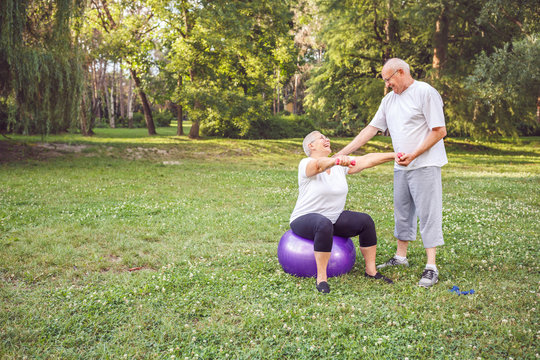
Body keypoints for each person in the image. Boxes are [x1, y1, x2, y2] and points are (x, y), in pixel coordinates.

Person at [335, 58, 447, 288]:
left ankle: (431, 266)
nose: (387, 84)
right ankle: (401, 257)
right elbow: (371, 129)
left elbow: (439, 131)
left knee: (428, 214)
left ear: (401, 72)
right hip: (401, 166)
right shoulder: (389, 100)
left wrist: (414, 155)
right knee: (402, 212)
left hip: (425, 165)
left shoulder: (425, 92)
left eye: (388, 79)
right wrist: (341, 153)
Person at [289, 130, 396, 293]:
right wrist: (336, 160)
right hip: (303, 219)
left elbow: (366, 159)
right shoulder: (306, 163)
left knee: (365, 221)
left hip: (332, 219)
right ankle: (322, 279)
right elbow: (319, 165)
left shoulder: (338, 166)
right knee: (322, 224)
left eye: (327, 137)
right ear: (311, 145)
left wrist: (395, 155)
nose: (327, 139)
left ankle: (371, 271)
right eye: (322, 138)